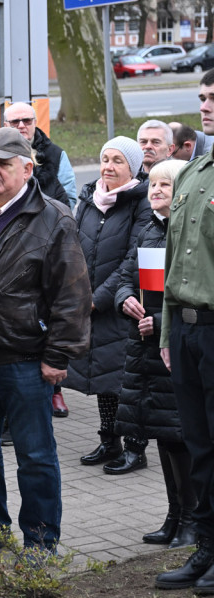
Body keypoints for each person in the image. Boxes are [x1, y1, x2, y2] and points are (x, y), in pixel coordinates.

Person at [0, 127, 91, 558]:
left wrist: (58, 355)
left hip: (25, 361)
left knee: (36, 456)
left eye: (2, 164)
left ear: (27, 169)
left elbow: (72, 294)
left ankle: (41, 539)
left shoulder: (54, 218)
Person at [113, 159, 196, 549]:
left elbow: (192, 293)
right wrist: (125, 298)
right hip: (145, 353)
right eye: (153, 183)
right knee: (162, 436)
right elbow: (125, 277)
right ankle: (173, 515)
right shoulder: (148, 231)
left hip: (172, 349)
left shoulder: (186, 235)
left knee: (181, 438)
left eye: (167, 183)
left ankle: (194, 521)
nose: (157, 188)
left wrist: (160, 319)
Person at [153, 68, 214, 593]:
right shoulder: (194, 171)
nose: (207, 104)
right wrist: (169, 333)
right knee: (198, 445)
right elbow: (175, 262)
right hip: (188, 332)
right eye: (202, 97)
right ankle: (207, 549)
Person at [65, 137, 152, 475]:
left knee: (126, 380)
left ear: (133, 167)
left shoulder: (141, 202)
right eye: (105, 159)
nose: (109, 167)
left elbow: (133, 259)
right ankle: (108, 439)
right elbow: (72, 248)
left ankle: (135, 447)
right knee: (102, 377)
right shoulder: (88, 199)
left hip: (120, 305)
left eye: (118, 161)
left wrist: (97, 299)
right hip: (89, 303)